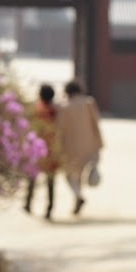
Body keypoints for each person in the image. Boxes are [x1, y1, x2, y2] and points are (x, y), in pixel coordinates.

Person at [56, 80, 103, 215]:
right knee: (82, 174)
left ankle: (78, 196)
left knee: (70, 176)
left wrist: (58, 148)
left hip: (71, 147)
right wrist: (99, 144)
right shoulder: (89, 103)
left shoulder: (65, 108)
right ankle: (78, 198)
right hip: (90, 144)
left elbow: (60, 129)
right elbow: (96, 122)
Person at [23, 84, 59, 220]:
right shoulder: (55, 111)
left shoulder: (36, 109)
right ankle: (49, 208)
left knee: (32, 177)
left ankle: (27, 203)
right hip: (51, 149)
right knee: (50, 181)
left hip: (36, 149)